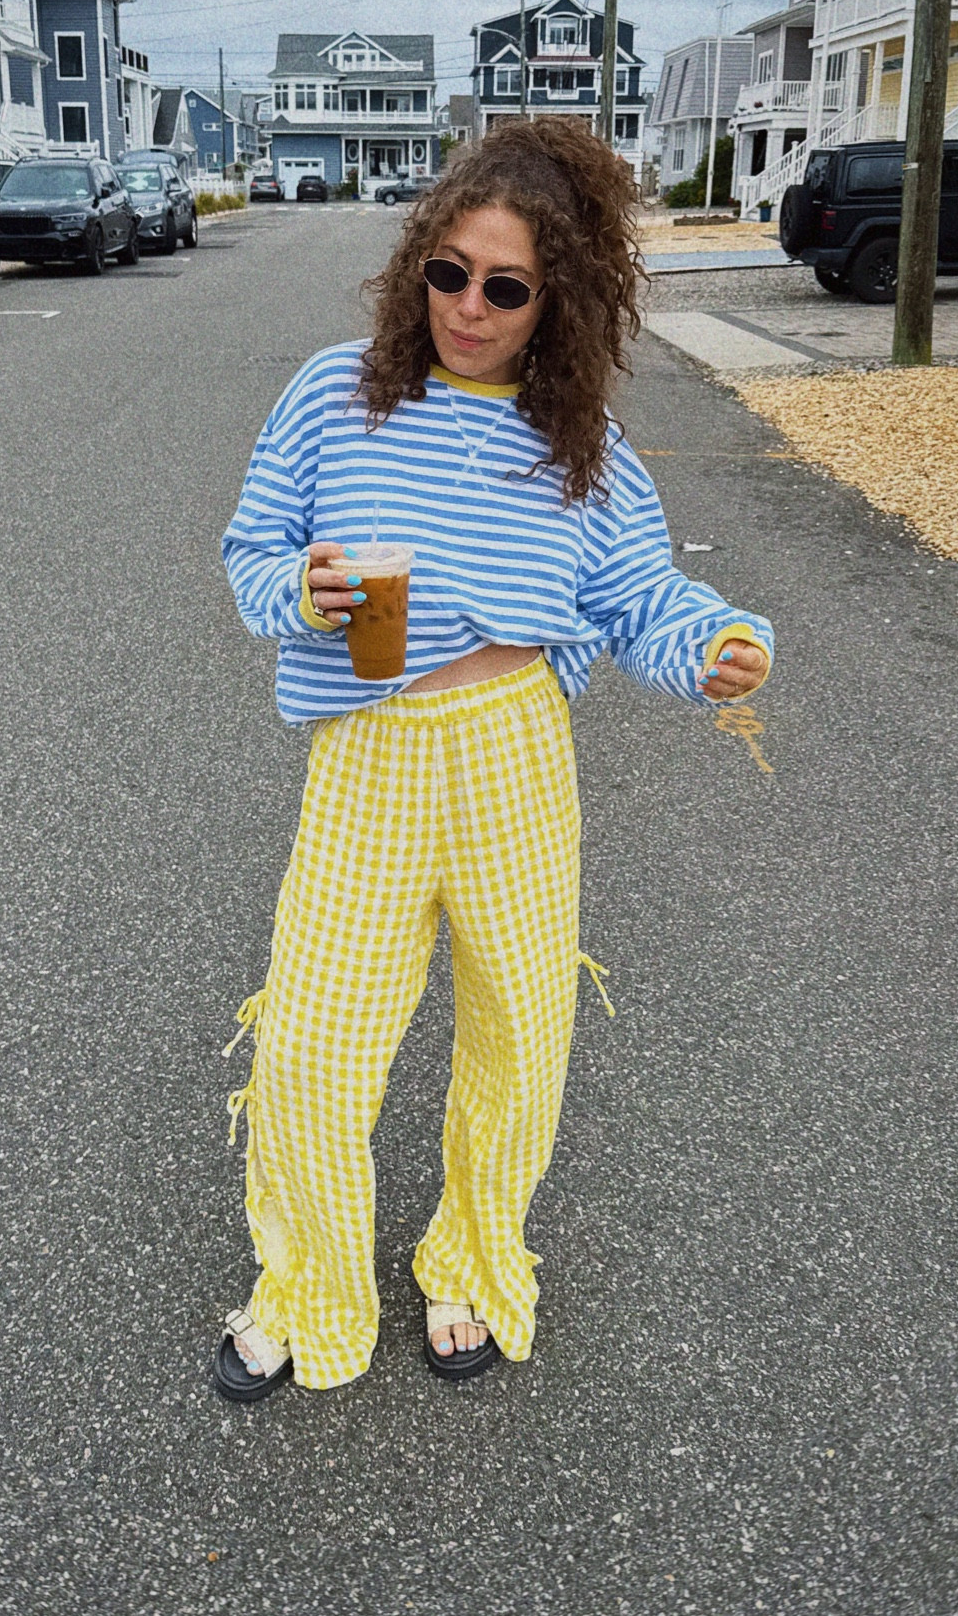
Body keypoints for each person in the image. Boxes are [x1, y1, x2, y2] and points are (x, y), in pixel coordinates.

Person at [215, 117, 771, 1400]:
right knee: (312, 1044)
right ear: (419, 263)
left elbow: (646, 602)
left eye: (506, 286)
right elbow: (249, 558)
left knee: (521, 1033)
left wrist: (722, 644)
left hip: (517, 752)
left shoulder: (578, 445)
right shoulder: (333, 394)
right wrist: (302, 588)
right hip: (370, 752)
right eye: (448, 271)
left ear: (554, 298)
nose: (470, 305)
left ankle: (468, 1253)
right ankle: (305, 1279)